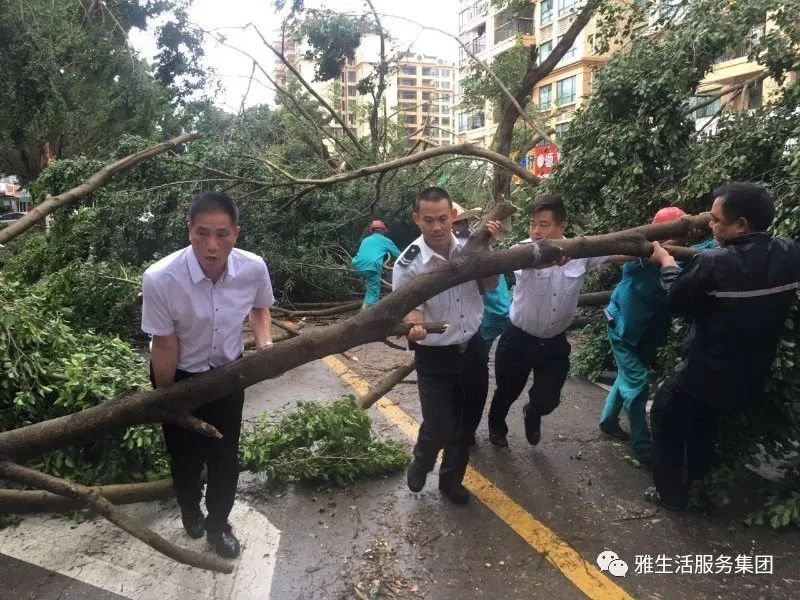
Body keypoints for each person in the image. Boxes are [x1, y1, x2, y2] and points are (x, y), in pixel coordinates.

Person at [645, 182, 800, 510]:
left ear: (741, 224)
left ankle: (669, 493)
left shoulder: (715, 262)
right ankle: (702, 487)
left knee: (665, 413)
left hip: (705, 372)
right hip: (751, 373)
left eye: (715, 220)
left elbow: (678, 299)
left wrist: (667, 264)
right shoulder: (789, 253)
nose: (709, 225)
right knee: (704, 426)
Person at [141, 191, 274, 558]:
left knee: (224, 457)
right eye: (202, 234)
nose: (211, 246)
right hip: (178, 376)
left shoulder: (253, 268)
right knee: (184, 458)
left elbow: (261, 310)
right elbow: (165, 344)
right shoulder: (161, 278)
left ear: (236, 233)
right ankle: (189, 509)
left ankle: (218, 524)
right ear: (189, 231)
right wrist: (165, 400)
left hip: (229, 376)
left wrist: (265, 350)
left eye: (221, 234)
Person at [392, 186, 502, 504]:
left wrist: (487, 253)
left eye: (443, 218)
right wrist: (415, 326)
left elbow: (491, 285)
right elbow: (409, 306)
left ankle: (451, 482)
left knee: (466, 426)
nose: (437, 227)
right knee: (440, 425)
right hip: (434, 355)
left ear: (453, 216)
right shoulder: (408, 263)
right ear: (417, 219)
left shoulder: (471, 246)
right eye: (428, 220)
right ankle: (423, 460)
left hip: (473, 348)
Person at [487, 195, 611, 448]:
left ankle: (533, 413)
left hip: (554, 343)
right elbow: (504, 264)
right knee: (507, 391)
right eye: (533, 224)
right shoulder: (521, 251)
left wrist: (655, 248)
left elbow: (618, 252)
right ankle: (496, 425)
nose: (536, 231)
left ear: (561, 227)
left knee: (548, 399)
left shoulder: (581, 251)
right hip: (518, 339)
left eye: (543, 225)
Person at [598, 207, 697, 463]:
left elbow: (707, 251)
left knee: (628, 377)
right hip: (622, 327)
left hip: (650, 330)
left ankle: (608, 421)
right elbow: (619, 254)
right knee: (638, 381)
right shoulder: (637, 256)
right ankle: (643, 447)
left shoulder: (680, 258)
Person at [351, 219, 401, 308]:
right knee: (374, 290)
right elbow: (400, 256)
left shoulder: (365, 240)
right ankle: (367, 312)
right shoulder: (386, 241)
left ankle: (362, 278)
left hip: (357, 264)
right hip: (372, 267)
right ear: (383, 230)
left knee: (370, 286)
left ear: (371, 230)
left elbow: (363, 254)